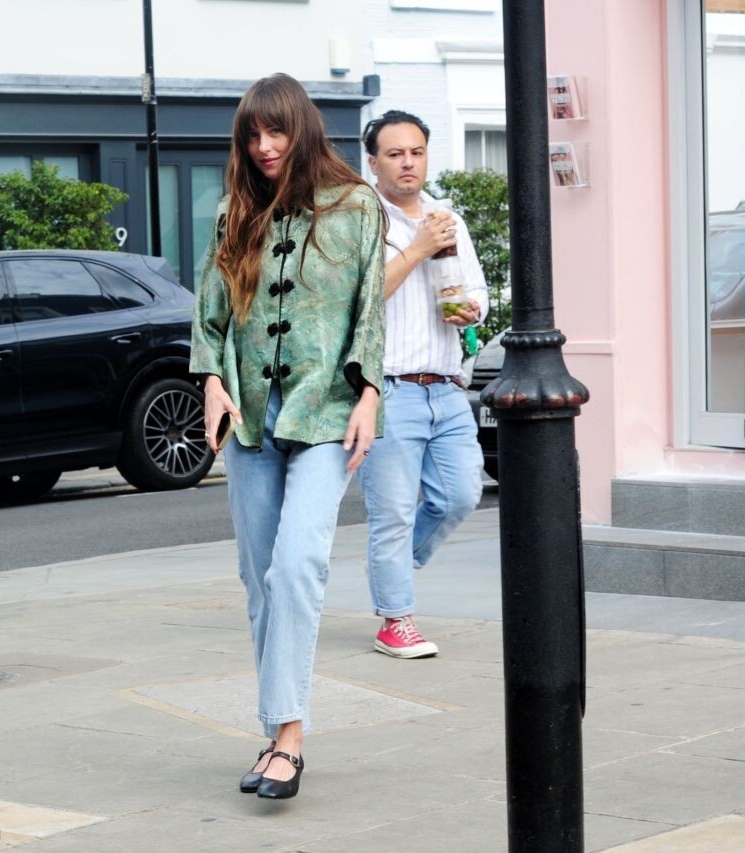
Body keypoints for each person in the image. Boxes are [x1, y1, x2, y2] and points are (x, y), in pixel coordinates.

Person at [191, 74, 385, 800]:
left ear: (302, 129)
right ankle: (280, 731)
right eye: (252, 134)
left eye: (276, 131)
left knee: (297, 564)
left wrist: (370, 395)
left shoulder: (355, 206)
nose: (264, 146)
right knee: (259, 578)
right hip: (250, 418)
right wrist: (212, 382)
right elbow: (210, 314)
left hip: (326, 413)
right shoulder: (234, 211)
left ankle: (289, 742)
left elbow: (370, 309)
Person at [358, 110, 489, 659]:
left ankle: (393, 566)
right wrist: (416, 248)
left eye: (416, 152)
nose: (408, 163)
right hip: (388, 390)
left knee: (461, 495)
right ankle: (396, 619)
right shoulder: (361, 220)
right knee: (391, 512)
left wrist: (473, 310)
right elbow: (360, 298)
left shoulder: (446, 217)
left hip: (447, 386)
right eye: (395, 154)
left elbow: (476, 292)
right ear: (374, 163)